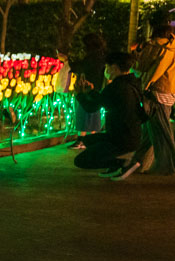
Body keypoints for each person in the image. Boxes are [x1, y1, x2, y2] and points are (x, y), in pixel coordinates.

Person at [116, 10, 175, 179]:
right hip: (169, 93)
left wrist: (138, 51)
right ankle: (138, 163)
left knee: (162, 133)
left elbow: (140, 67)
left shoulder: (155, 47)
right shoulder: (172, 46)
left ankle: (168, 166)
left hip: (155, 93)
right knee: (151, 133)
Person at [70, 52, 143, 174]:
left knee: (81, 160)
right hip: (133, 135)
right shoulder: (133, 83)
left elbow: (91, 108)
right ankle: (115, 165)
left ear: (114, 68)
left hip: (119, 139)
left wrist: (79, 94)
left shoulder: (115, 86)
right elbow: (105, 101)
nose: (106, 70)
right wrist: (92, 91)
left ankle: (122, 163)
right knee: (88, 140)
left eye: (107, 67)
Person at [67, 33, 108, 150]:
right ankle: (91, 139)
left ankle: (82, 140)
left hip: (87, 88)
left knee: (83, 113)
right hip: (97, 88)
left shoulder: (91, 57)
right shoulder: (101, 56)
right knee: (93, 115)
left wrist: (67, 61)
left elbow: (80, 67)